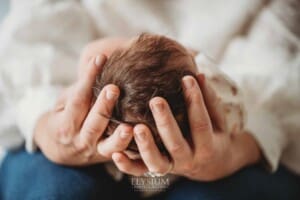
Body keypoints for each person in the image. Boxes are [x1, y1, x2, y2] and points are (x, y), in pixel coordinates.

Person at [0, 0, 299, 199]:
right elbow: (25, 55)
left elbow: (278, 64)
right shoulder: (220, 86)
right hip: (60, 109)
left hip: (239, 124)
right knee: (56, 192)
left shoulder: (220, 94)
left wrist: (238, 149)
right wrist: (48, 126)